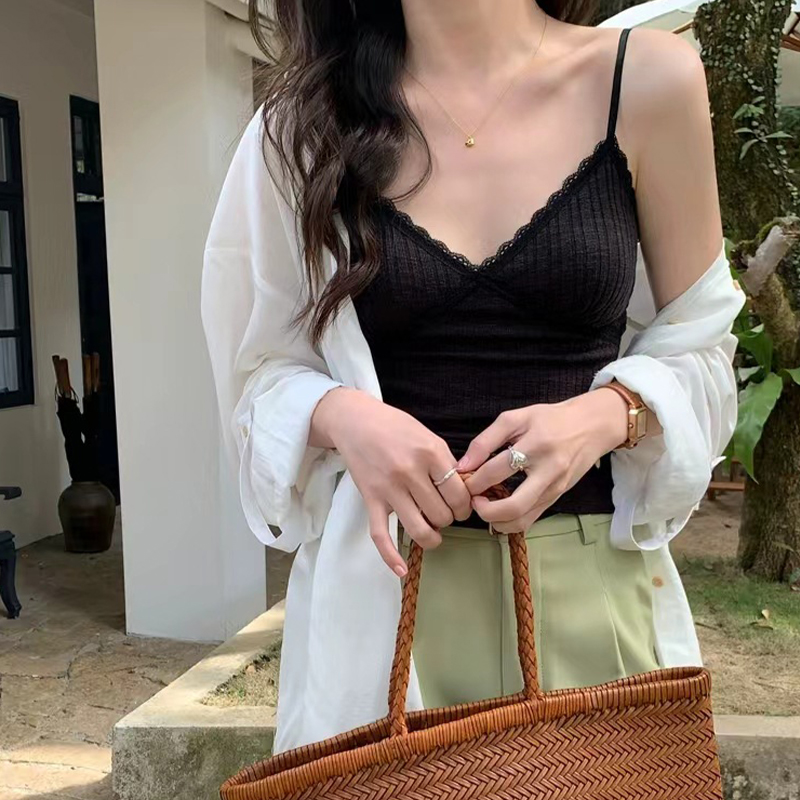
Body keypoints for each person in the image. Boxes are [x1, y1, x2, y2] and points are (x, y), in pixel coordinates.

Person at [201, 0, 746, 753]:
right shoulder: (302, 123)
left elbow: (705, 353)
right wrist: (342, 416)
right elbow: (257, 370)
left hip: (592, 586)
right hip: (387, 603)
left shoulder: (646, 81)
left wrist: (605, 415)